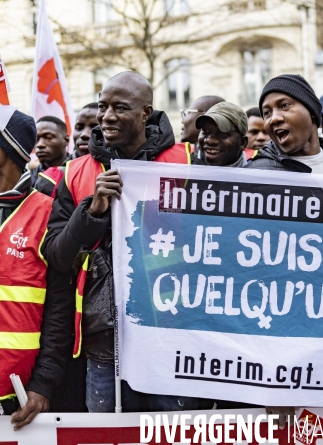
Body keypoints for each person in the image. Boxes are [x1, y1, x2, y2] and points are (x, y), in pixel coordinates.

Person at [42, 71, 210, 414]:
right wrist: (92, 212)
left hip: (173, 337)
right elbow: (58, 257)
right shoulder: (76, 172)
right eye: (103, 106)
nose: (107, 116)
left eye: (120, 107)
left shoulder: (189, 161)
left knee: (173, 436)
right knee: (108, 435)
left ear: (145, 113)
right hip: (104, 344)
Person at [0, 106, 73, 430]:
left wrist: (43, 382)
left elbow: (60, 309)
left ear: (6, 152)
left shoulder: (47, 212)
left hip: (16, 395)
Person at [247, 74, 323, 176]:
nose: (274, 119)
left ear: (312, 113)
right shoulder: (254, 175)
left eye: (284, 105)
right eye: (267, 113)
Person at [35, 103, 99, 197]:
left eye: (94, 127)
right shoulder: (48, 180)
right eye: (78, 128)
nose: (84, 134)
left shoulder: (122, 171)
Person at [193, 102, 253, 167]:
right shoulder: (184, 167)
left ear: (242, 143)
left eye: (223, 134)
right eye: (205, 131)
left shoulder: (257, 172)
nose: (210, 140)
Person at [30, 116, 69, 186]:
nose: (40, 144)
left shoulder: (81, 172)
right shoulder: (26, 181)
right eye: (36, 139)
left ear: (66, 140)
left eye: (48, 137)